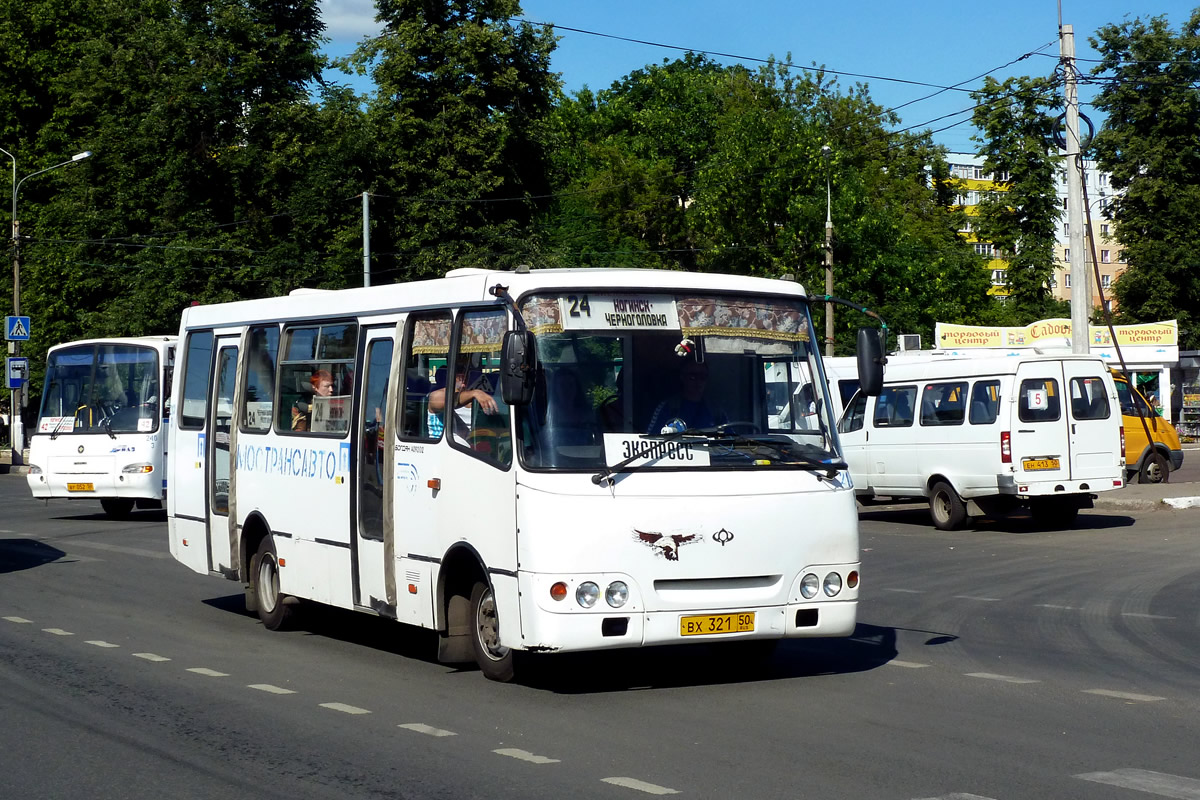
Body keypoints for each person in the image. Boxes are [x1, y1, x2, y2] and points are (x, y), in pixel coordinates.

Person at [646, 360, 728, 434]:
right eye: (692, 377)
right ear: (682, 377)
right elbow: (650, 439)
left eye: (702, 377)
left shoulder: (716, 411)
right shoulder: (668, 407)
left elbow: (732, 440)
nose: (698, 381)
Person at [427, 368, 497, 439]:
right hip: (442, 446)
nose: (464, 381)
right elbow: (442, 400)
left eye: (465, 377)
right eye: (459, 377)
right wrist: (476, 393)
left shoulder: (475, 400)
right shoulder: (436, 396)